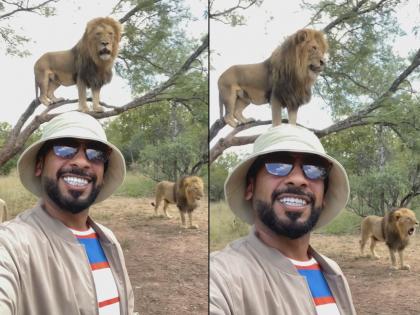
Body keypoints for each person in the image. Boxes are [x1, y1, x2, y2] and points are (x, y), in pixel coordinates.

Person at [210, 124, 357, 315]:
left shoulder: (332, 271)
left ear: (325, 195)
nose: (298, 179)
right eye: (278, 164)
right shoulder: (222, 276)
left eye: (314, 168)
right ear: (250, 188)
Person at [0, 111, 134, 315]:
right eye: (64, 148)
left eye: (96, 153)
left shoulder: (109, 241)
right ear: (39, 165)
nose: (81, 162)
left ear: (103, 174)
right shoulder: (12, 245)